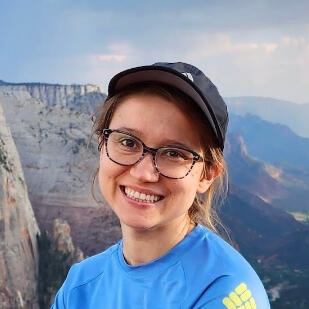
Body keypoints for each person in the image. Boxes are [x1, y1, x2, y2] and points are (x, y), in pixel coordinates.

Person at [51, 62, 270, 308]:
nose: (143, 173)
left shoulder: (223, 292)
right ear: (102, 145)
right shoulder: (80, 286)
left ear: (206, 175)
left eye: (174, 153)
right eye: (128, 142)